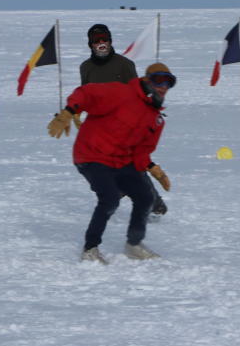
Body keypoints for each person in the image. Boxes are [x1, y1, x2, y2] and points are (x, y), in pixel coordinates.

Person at [48, 62, 175, 263]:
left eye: (169, 83)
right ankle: (90, 248)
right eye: (159, 80)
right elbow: (86, 93)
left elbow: (141, 151)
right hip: (91, 155)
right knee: (110, 198)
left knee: (145, 197)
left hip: (121, 161)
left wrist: (153, 169)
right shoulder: (120, 93)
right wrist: (69, 111)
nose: (163, 87)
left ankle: (133, 244)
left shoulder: (155, 119)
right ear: (146, 79)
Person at [77, 23, 168, 216]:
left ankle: (154, 204)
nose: (101, 44)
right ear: (90, 44)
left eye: (104, 39)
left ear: (110, 41)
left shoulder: (124, 65)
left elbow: (138, 91)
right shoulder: (85, 67)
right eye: (96, 41)